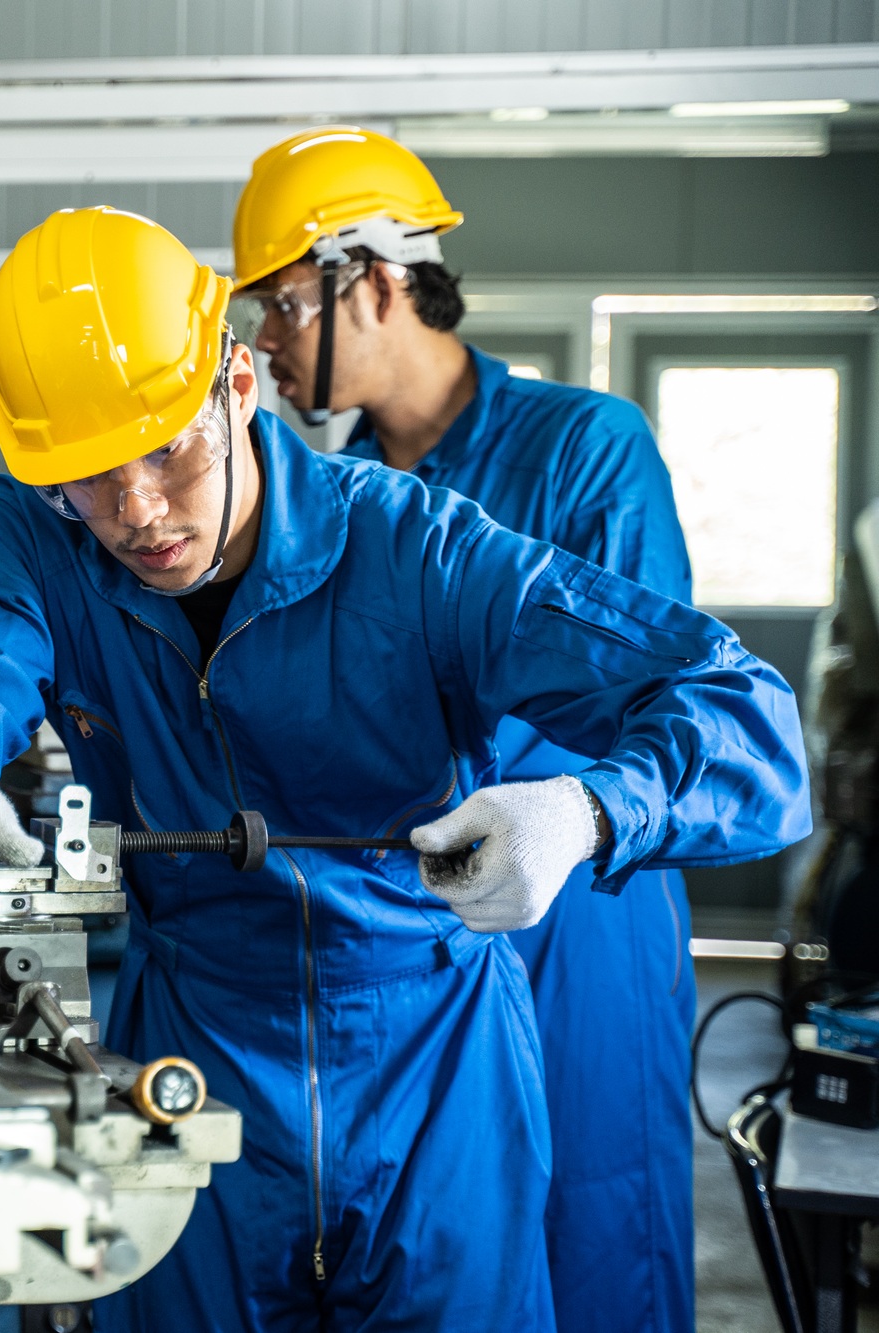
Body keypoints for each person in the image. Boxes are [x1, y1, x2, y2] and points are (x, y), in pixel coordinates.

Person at [0, 205, 809, 1329]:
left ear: (238, 385)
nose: (138, 513)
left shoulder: (417, 551)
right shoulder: (26, 534)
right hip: (190, 1049)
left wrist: (590, 808)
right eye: (89, 478)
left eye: (167, 448)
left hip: (432, 1066)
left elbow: (744, 713)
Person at [233, 126, 697, 1333]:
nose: (266, 346)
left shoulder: (585, 451)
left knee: (593, 1228)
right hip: (410, 932)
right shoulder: (314, 498)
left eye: (282, 308)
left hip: (578, 909)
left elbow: (660, 705)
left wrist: (566, 808)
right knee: (435, 1257)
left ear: (373, 283)